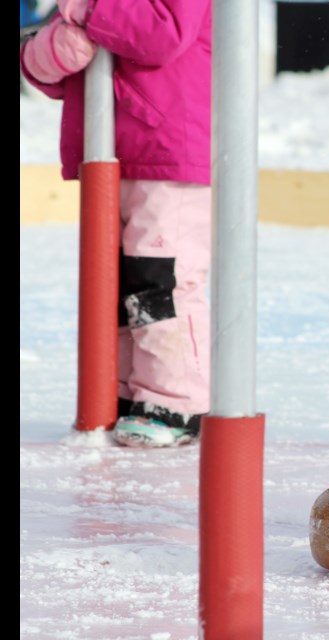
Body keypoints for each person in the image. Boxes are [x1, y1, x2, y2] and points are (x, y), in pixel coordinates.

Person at [20, 1, 212, 448]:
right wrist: (53, 49)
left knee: (158, 279)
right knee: (117, 282)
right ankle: (128, 391)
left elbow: (164, 33)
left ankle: (173, 398)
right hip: (106, 152)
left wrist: (90, 11)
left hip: (169, 149)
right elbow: (38, 66)